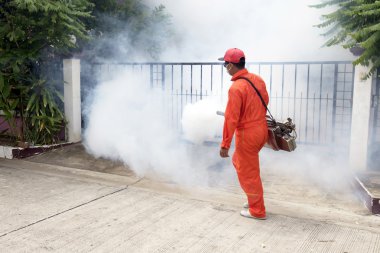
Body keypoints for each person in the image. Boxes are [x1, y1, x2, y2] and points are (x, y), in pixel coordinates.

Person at [218, 48, 269, 220]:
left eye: (225, 64)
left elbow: (231, 119)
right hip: (261, 130)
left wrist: (225, 144)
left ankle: (257, 210)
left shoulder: (236, 88)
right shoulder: (257, 79)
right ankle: (253, 199)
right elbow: (265, 101)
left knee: (248, 173)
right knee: (243, 165)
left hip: (247, 134)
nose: (225, 68)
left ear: (231, 65)